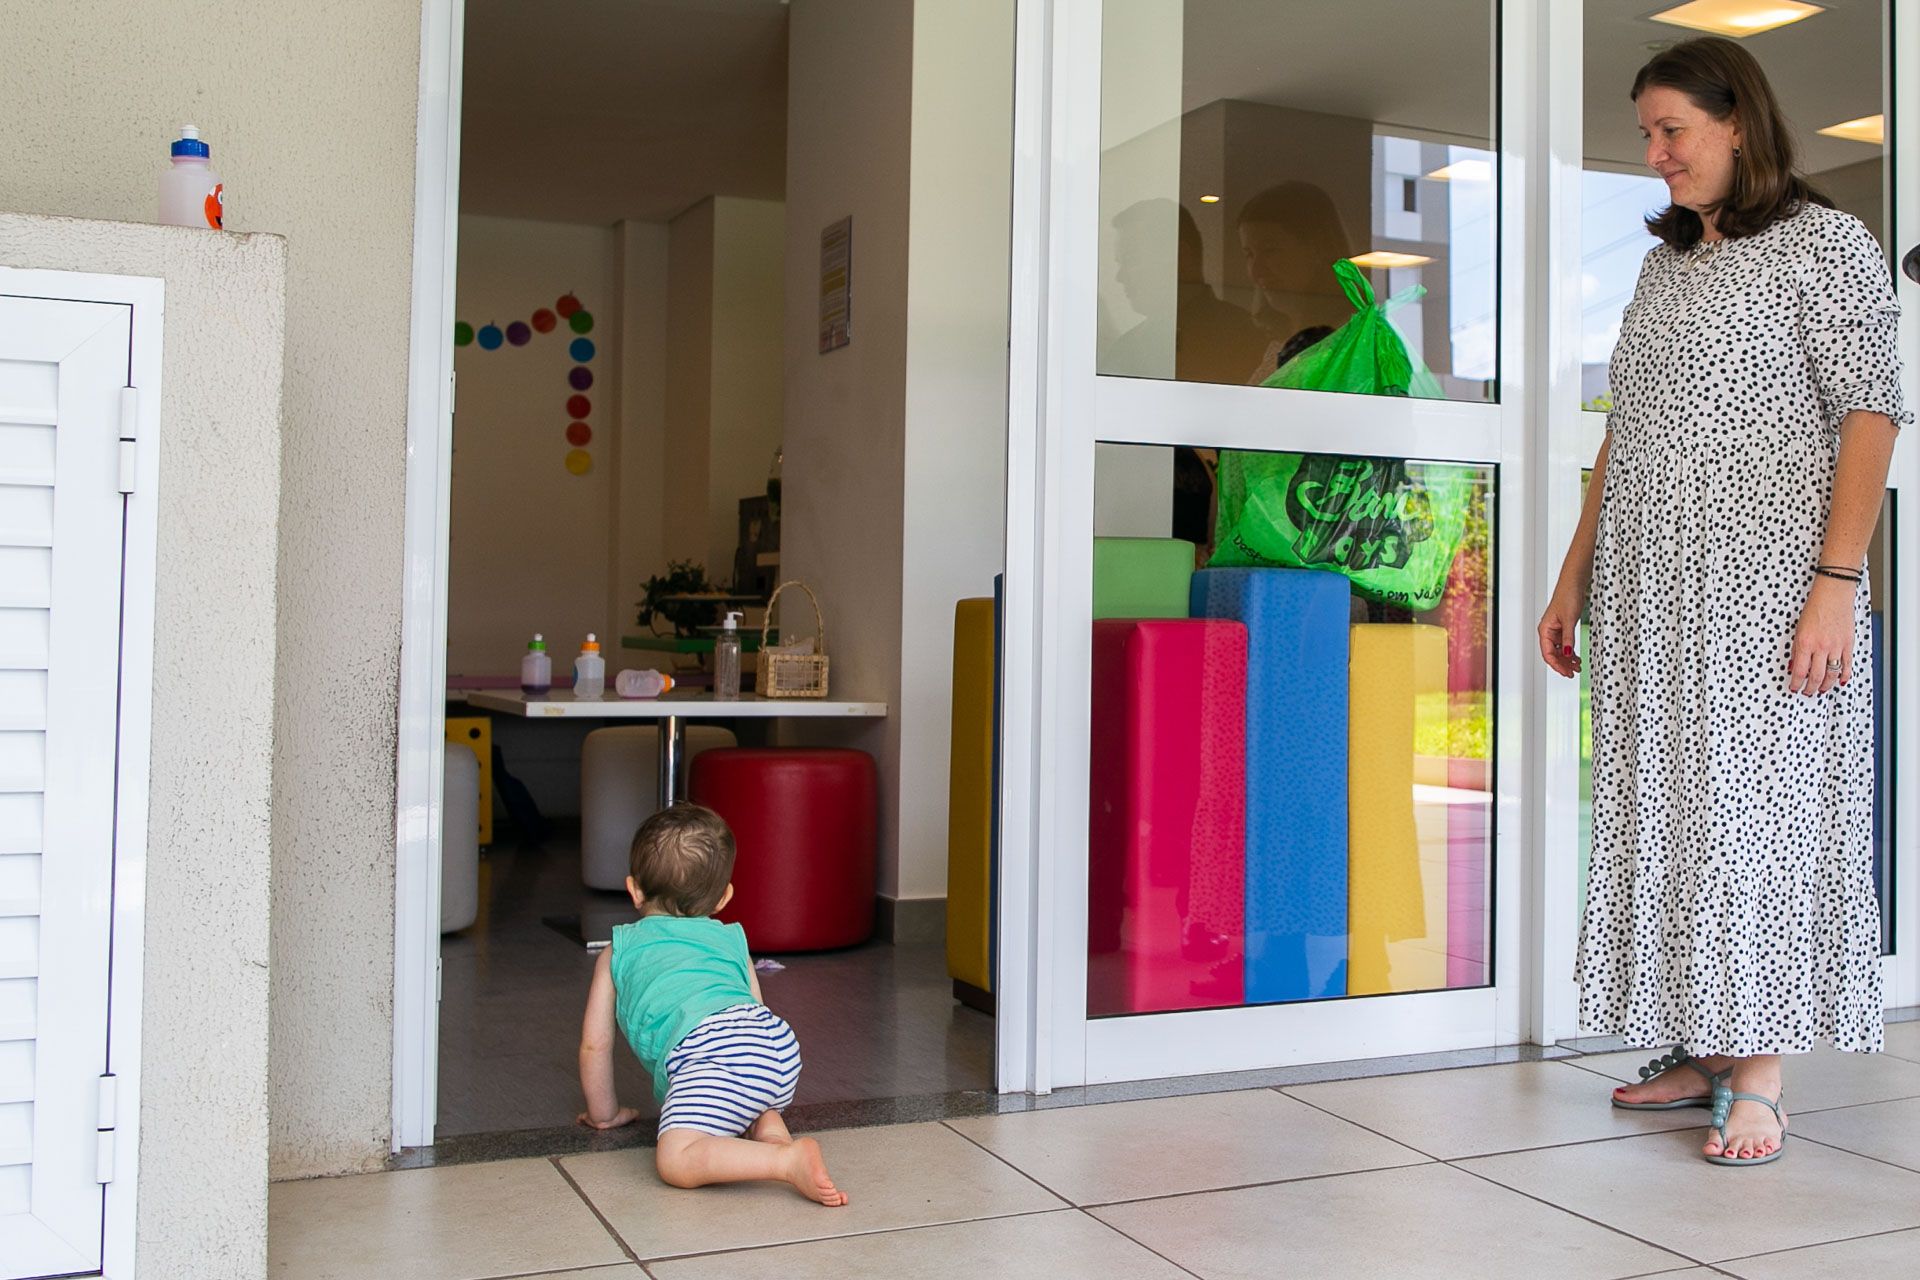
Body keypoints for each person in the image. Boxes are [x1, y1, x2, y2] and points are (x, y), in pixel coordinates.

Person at [1538, 37, 1906, 1167]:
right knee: (1671, 807)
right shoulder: (1665, 267)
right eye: (1646, 134)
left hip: (1768, 580)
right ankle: (1697, 1043)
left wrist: (1835, 584)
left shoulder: (1829, 246)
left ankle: (1762, 1073)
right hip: (1651, 581)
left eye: (1671, 131)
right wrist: (1573, 574)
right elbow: (1625, 433)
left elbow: (1872, 418)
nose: (1655, 155)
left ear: (1737, 122)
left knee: (1758, 808)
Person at [575, 803, 846, 1205]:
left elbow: (595, 1046)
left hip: (711, 1050)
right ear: (723, 898)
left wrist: (604, 1115)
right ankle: (770, 1133)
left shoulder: (617, 953)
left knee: (675, 1158)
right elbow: (754, 1006)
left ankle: (785, 1163)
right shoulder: (732, 938)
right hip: (774, 1046)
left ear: (634, 889)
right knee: (746, 1093)